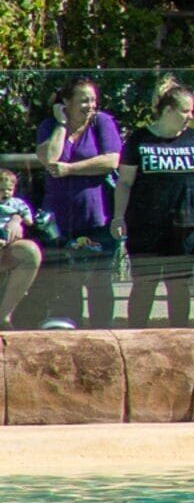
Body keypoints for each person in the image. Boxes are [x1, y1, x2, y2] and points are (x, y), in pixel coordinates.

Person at [36, 78, 125, 327]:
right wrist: (62, 125)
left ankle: (102, 330)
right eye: (84, 100)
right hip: (59, 218)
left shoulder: (101, 122)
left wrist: (70, 169)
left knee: (99, 279)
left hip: (97, 215)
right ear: (67, 101)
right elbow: (49, 158)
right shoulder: (49, 125)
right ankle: (70, 327)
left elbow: (111, 160)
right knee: (66, 278)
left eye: (93, 100)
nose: (90, 106)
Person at [0, 167, 40, 327]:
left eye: (9, 190)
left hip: (5, 241)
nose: (5, 193)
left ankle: (3, 316)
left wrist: (16, 219)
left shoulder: (15, 204)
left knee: (29, 251)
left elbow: (27, 216)